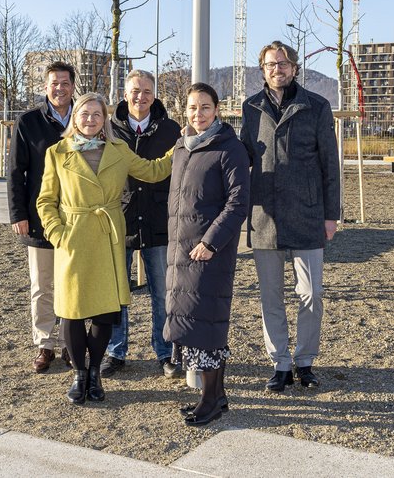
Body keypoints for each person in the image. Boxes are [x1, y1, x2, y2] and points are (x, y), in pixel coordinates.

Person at [36, 92, 174, 405]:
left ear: (104, 119)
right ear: (75, 117)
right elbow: (46, 200)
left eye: (97, 114)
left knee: (105, 311)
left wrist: (177, 150)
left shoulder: (118, 149)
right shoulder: (58, 152)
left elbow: (152, 171)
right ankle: (79, 375)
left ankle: (95, 372)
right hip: (73, 236)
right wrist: (58, 233)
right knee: (72, 311)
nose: (90, 119)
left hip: (108, 235)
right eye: (85, 113)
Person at [240, 40, 341, 393]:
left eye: (283, 63)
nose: (277, 69)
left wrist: (331, 215)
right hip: (264, 215)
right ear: (263, 69)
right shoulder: (250, 108)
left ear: (295, 68)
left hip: (308, 213)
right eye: (270, 64)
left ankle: (305, 361)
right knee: (271, 295)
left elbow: (331, 164)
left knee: (311, 293)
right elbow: (242, 160)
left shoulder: (317, 106)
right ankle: (280, 363)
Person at [164, 83, 250, 426]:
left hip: (208, 252)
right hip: (180, 249)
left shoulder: (230, 149)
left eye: (204, 107)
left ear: (217, 109)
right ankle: (218, 395)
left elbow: (238, 203)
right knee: (191, 321)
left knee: (206, 324)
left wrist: (211, 242)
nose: (197, 114)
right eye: (191, 108)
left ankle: (211, 399)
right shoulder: (182, 149)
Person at [103, 70, 184, 379]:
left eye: (147, 91)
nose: (141, 96)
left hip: (158, 219)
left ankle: (165, 353)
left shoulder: (170, 130)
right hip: (119, 220)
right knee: (117, 291)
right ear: (125, 94)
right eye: (135, 91)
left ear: (155, 94)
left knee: (162, 293)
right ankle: (116, 351)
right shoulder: (109, 129)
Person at [7, 61, 76, 374]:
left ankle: (69, 344)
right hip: (39, 218)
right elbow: (15, 171)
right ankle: (45, 344)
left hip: (76, 219)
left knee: (71, 284)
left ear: (73, 86)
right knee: (42, 285)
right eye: (53, 83)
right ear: (45, 87)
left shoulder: (85, 117)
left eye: (64, 82)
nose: (59, 88)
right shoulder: (29, 121)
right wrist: (18, 213)